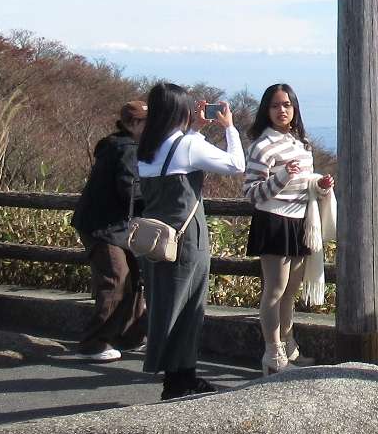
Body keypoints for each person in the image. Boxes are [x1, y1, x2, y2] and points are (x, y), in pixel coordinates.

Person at [137, 83, 246, 400]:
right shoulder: (185, 146)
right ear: (178, 111)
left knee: (166, 305)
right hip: (186, 239)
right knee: (190, 306)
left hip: (156, 239)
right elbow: (235, 164)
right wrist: (229, 129)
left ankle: (179, 375)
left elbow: (179, 153)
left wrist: (195, 129)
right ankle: (179, 379)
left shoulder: (147, 147)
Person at [242, 84, 333, 375]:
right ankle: (273, 352)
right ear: (265, 111)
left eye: (287, 105)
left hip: (301, 221)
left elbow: (303, 183)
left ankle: (288, 344)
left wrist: (319, 186)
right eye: (275, 106)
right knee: (275, 289)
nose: (282, 111)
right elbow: (252, 193)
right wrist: (282, 175)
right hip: (274, 221)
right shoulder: (261, 146)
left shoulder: (300, 142)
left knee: (290, 290)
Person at [68, 99, 147, 362]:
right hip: (105, 226)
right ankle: (94, 342)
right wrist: (155, 198)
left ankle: (129, 335)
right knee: (116, 278)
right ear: (134, 124)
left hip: (108, 224)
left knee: (134, 277)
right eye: (147, 123)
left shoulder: (115, 145)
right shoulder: (127, 149)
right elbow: (129, 189)